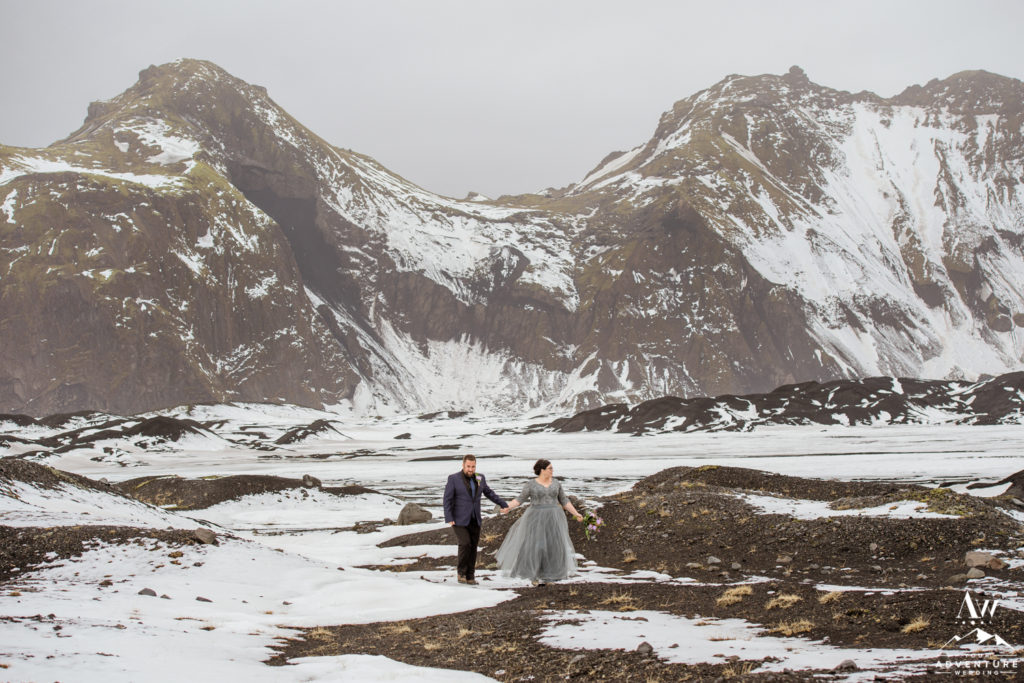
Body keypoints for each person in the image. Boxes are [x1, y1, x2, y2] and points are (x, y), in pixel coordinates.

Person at [495, 459, 583, 585]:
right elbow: (520, 499)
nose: (552, 471)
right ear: (542, 470)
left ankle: (551, 575)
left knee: (554, 545)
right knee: (535, 545)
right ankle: (533, 575)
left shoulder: (556, 483)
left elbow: (564, 500)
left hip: (554, 517)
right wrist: (507, 507)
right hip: (536, 517)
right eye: (550, 468)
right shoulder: (531, 484)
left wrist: (576, 513)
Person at [443, 454, 509, 585]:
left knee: (473, 547)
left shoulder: (479, 477)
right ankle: (461, 573)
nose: (470, 469)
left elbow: (489, 492)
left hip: (475, 518)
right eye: (468, 466)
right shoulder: (453, 479)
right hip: (458, 519)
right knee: (465, 543)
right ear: (463, 465)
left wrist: (502, 503)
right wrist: (449, 517)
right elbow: (447, 499)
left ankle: (470, 576)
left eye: (473, 467)